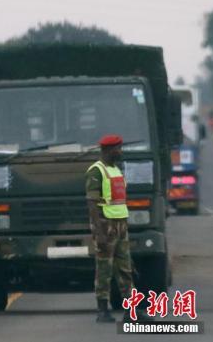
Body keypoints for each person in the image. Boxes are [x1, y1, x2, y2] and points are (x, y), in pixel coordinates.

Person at [85, 134, 151, 323]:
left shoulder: (115, 170)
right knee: (104, 268)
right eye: (117, 148)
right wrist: (99, 232)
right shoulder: (96, 171)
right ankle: (102, 310)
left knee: (125, 268)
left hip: (120, 225)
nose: (120, 152)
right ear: (107, 150)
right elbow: (91, 203)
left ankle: (131, 312)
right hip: (106, 225)